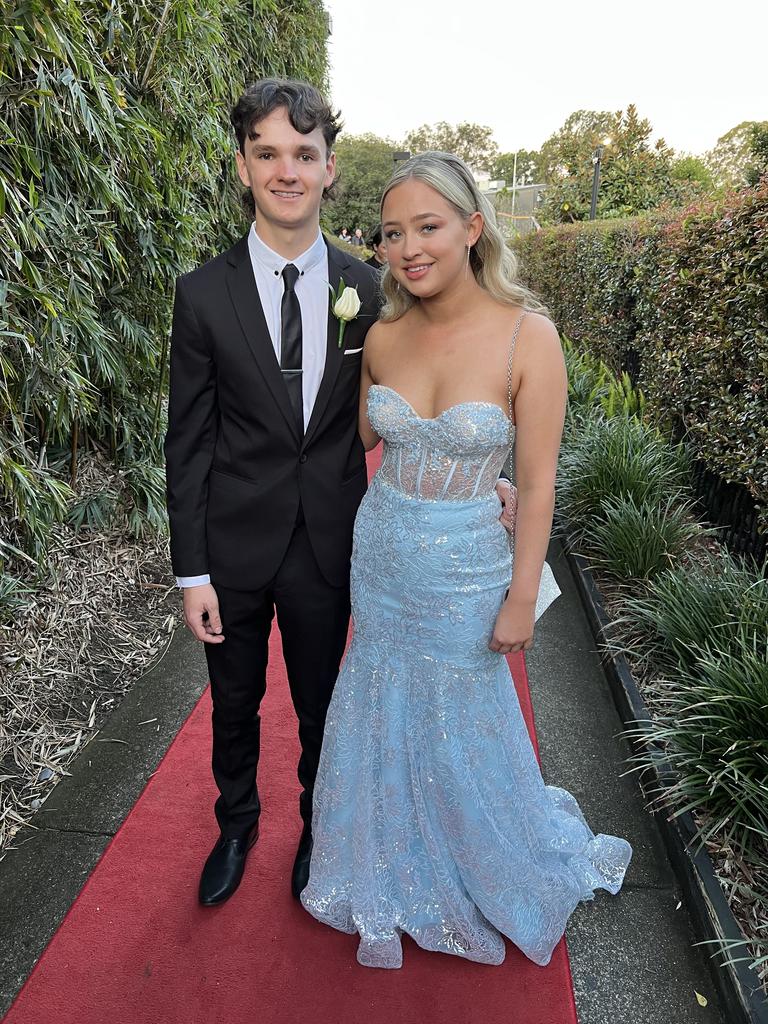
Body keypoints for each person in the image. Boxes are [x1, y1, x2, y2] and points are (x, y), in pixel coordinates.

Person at [301, 152, 632, 969]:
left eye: (428, 226)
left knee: (462, 719)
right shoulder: (377, 335)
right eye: (391, 233)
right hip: (382, 553)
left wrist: (523, 594)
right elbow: (359, 440)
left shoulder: (530, 335)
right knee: (381, 697)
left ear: (472, 229)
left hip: (468, 568)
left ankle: (480, 861)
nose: (408, 247)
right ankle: (383, 857)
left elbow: (541, 479)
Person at [163, 78, 380, 907]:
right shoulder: (202, 293)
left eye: (304, 153)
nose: (286, 170)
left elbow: (424, 390)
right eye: (267, 154)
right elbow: (188, 440)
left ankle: (318, 829)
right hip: (233, 547)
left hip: (328, 540)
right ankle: (236, 823)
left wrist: (490, 477)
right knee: (234, 704)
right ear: (244, 166)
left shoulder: (369, 290)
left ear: (328, 168)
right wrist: (191, 572)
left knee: (326, 706)